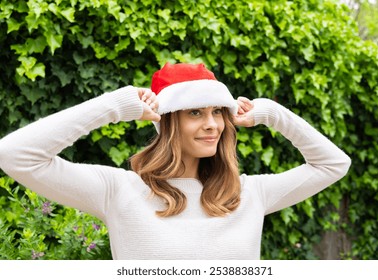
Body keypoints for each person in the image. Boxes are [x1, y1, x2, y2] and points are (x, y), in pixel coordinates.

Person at [0, 62, 351, 259]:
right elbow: (15, 155)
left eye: (218, 112)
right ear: (168, 122)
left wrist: (274, 115)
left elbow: (333, 165)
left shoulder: (248, 194)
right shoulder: (118, 190)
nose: (212, 124)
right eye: (195, 112)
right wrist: (115, 106)